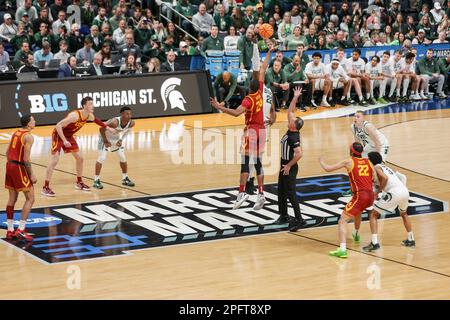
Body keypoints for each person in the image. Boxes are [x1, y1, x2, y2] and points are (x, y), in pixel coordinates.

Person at [210, 72, 267, 211]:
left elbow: (236, 113)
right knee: (258, 163)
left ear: (249, 88)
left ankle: (241, 193)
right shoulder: (260, 92)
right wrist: (269, 52)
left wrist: (219, 107)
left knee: (245, 163)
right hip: (262, 131)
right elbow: (263, 70)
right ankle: (261, 193)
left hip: (251, 132)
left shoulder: (248, 100)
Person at [42, 97, 115, 197]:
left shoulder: (89, 115)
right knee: (54, 160)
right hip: (59, 135)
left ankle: (79, 182)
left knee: (80, 158)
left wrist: (108, 128)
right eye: (90, 104)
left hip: (69, 136)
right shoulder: (75, 116)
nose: (92, 105)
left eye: (92, 103)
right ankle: (45, 187)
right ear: (84, 106)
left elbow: (97, 121)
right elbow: (58, 125)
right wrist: (64, 140)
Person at [319, 142, 375, 258]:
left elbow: (328, 169)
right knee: (358, 211)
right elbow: (375, 178)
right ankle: (357, 234)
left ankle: (342, 249)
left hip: (360, 196)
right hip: (371, 195)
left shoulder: (349, 161)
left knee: (342, 221)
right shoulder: (368, 162)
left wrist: (321, 161)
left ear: (351, 151)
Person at [363, 151, 415, 252]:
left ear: (371, 160)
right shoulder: (387, 167)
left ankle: (374, 243)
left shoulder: (377, 168)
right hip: (404, 191)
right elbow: (397, 177)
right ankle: (411, 239)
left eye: (368, 159)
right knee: (404, 214)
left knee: (373, 214)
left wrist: (377, 192)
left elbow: (385, 178)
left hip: (394, 192)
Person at [275, 86, 306, 232]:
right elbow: (290, 111)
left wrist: (288, 166)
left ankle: (300, 219)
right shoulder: (291, 127)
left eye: (292, 121)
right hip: (284, 164)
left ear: (294, 127)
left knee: (291, 193)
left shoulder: (294, 137)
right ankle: (284, 215)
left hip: (289, 166)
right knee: (281, 190)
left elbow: (299, 153)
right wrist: (295, 97)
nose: (289, 119)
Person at [4, 115, 37, 242]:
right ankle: (21, 230)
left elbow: (7, 152)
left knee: (12, 198)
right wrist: (32, 174)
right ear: (28, 123)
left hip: (9, 165)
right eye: (33, 120)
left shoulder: (16, 132)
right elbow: (26, 159)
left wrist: (11, 165)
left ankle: (10, 230)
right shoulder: (28, 136)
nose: (35, 121)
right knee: (30, 198)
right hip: (18, 167)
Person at [93, 107, 136, 189]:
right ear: (122, 114)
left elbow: (128, 131)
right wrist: (105, 141)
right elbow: (101, 129)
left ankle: (125, 178)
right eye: (127, 113)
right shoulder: (114, 122)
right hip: (103, 137)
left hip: (115, 138)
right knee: (102, 157)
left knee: (122, 157)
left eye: (130, 113)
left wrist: (121, 140)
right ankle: (96, 180)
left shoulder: (131, 123)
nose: (129, 115)